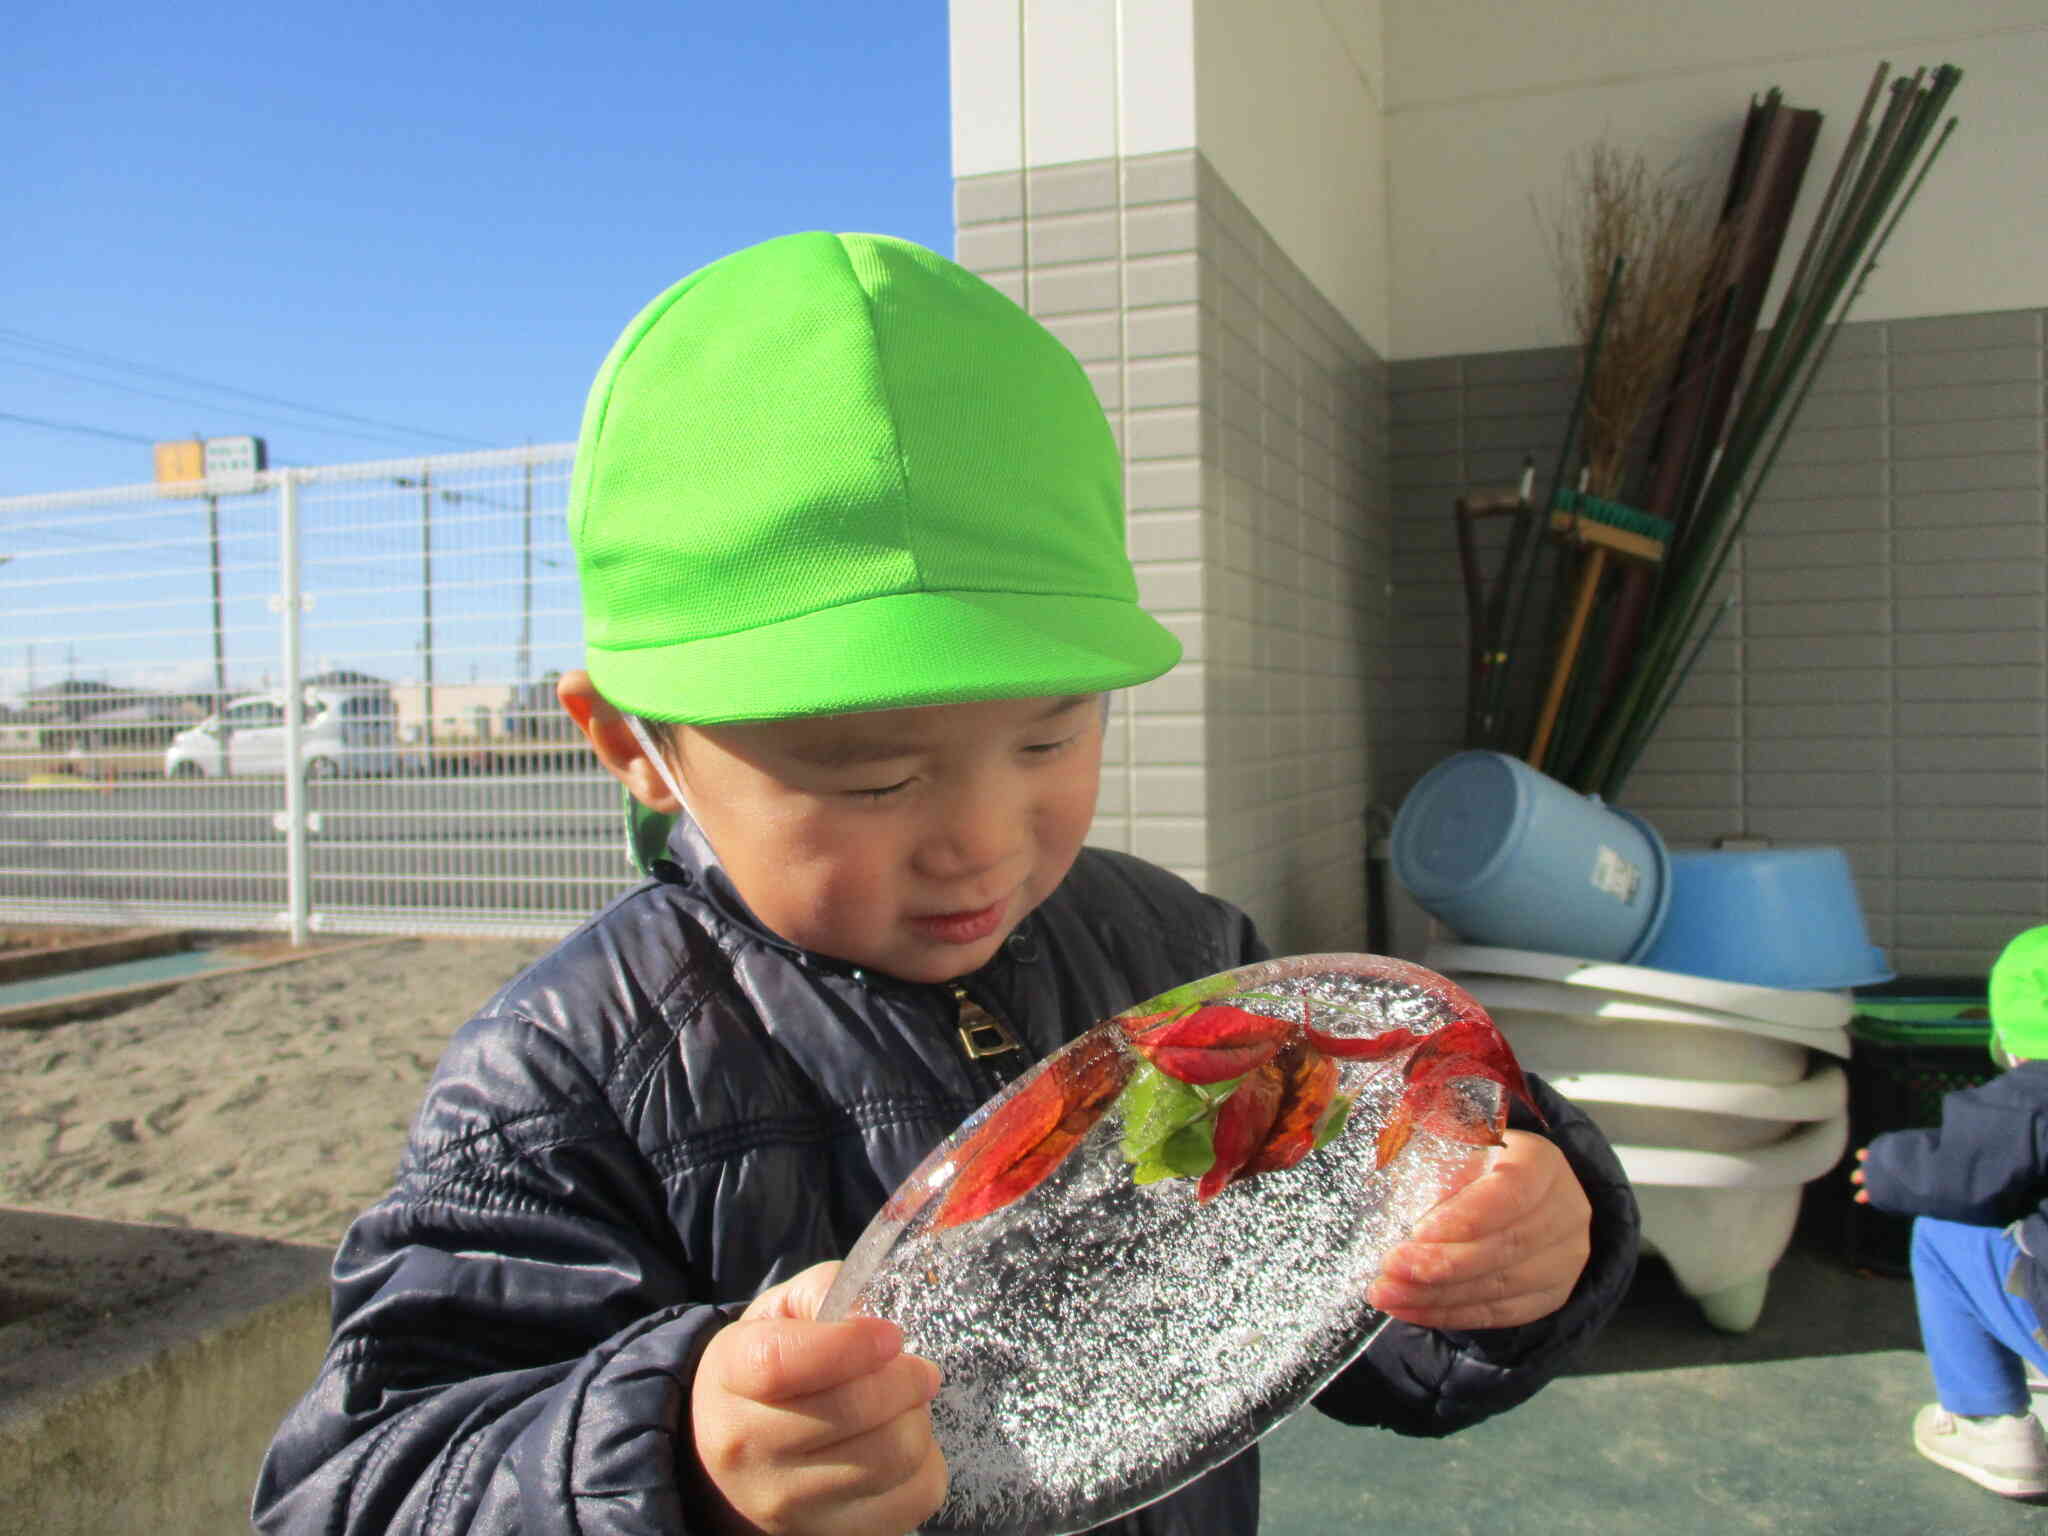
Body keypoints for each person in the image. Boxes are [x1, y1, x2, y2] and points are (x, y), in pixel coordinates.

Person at [253, 231, 1638, 1535]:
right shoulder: (571, 1074)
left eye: (1051, 733)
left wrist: (1506, 1246)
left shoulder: (1174, 952)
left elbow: (1312, 1307)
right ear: (632, 743)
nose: (981, 838)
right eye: (870, 776)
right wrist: (678, 1454)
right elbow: (365, 1484)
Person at [1854, 923, 2048, 1500]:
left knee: (1944, 1229)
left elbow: (1958, 1175)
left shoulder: (2032, 1096)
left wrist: (1885, 1166)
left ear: (2012, 1043)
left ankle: (1988, 1423)